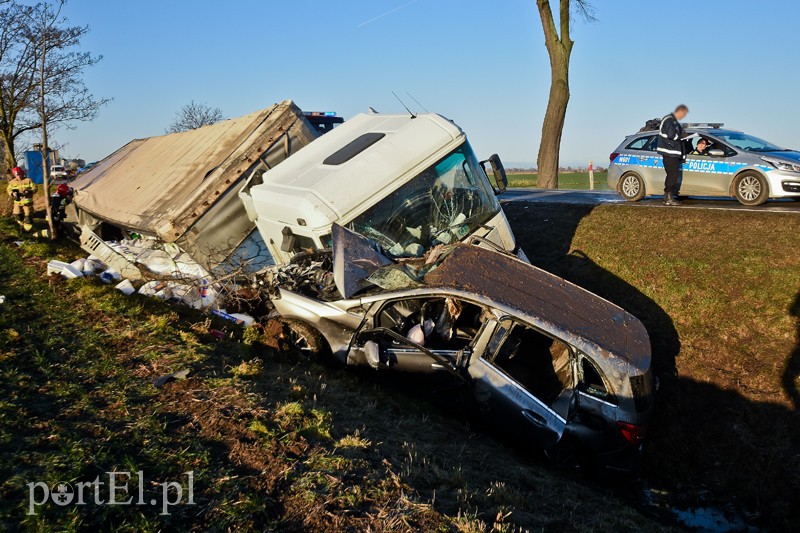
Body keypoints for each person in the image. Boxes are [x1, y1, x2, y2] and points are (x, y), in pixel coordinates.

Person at [657, 105, 689, 206]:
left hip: (672, 152)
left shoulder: (673, 121)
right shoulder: (669, 120)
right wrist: (680, 136)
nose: (683, 116)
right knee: (673, 175)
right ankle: (668, 198)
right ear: (680, 111)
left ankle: (667, 197)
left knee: (672, 175)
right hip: (669, 152)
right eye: (683, 114)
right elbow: (671, 135)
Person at [7, 166, 37, 231]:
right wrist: (12, 193)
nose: (19, 176)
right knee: (17, 216)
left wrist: (29, 191)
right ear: (15, 175)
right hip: (17, 203)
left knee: (28, 217)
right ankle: (21, 228)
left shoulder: (28, 180)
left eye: (20, 174)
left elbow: (35, 188)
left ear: (22, 173)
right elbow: (8, 190)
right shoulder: (12, 182)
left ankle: (29, 231)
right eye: (17, 175)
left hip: (27, 203)